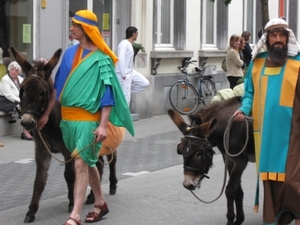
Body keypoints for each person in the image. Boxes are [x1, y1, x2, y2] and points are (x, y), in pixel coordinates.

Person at [38, 10, 135, 225]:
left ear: (87, 29)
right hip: (68, 121)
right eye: (72, 24)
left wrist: (102, 126)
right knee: (89, 162)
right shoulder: (69, 54)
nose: (71, 28)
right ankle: (100, 202)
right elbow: (58, 90)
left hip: (88, 121)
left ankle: (75, 216)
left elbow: (108, 96)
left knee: (80, 163)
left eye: (75, 25)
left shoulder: (102, 58)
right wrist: (45, 115)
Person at [233, 18, 300, 225]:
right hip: (267, 135)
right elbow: (249, 93)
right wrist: (243, 109)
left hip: (294, 132)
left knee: (292, 181)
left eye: (282, 35)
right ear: (267, 39)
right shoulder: (257, 62)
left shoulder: (298, 62)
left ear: (287, 37)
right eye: (274, 35)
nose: (278, 39)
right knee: (271, 183)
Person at [115, 26, 149, 106]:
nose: (137, 35)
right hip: (123, 73)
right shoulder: (124, 44)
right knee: (126, 99)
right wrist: (123, 74)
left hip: (131, 71)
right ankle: (124, 117)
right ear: (133, 34)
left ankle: (126, 90)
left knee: (145, 83)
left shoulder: (130, 44)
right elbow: (121, 59)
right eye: (137, 33)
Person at [0, 61, 33, 140]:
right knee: (20, 108)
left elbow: (25, 92)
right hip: (4, 101)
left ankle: (28, 129)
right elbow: (9, 96)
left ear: (19, 72)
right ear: (9, 70)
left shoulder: (21, 79)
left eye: (16, 70)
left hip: (17, 101)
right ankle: (25, 132)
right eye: (12, 69)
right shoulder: (5, 79)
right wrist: (22, 101)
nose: (14, 72)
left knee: (31, 108)